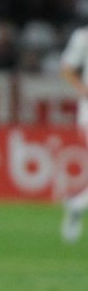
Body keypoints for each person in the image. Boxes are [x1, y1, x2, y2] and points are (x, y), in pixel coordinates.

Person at [60, 24, 88, 243]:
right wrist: (83, 90)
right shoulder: (83, 36)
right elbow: (67, 68)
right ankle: (76, 206)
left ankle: (77, 204)